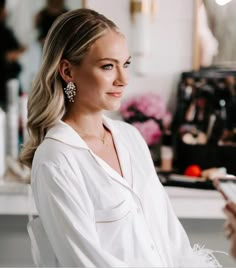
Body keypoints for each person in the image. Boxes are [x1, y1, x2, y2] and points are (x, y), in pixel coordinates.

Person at [20, 8, 221, 267]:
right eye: (107, 66)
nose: (123, 79)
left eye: (125, 64)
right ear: (67, 71)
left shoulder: (130, 138)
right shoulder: (56, 159)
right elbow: (84, 262)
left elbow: (172, 238)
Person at [0, 0, 25, 109]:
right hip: (4, 80)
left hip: (10, 80)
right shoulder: (4, 31)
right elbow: (10, 54)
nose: (5, 13)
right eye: (3, 10)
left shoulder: (6, 30)